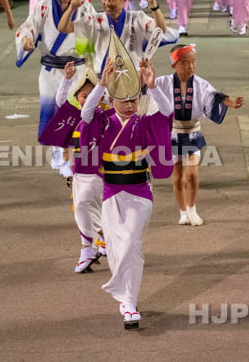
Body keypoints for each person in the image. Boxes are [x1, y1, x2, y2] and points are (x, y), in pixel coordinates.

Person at [77, 49, 174, 329]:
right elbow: (86, 113)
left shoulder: (144, 122)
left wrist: (152, 86)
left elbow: (167, 113)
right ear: (112, 100)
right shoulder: (103, 121)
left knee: (131, 242)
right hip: (111, 192)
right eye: (124, 100)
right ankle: (127, 298)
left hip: (140, 193)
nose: (131, 105)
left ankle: (129, 300)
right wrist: (100, 84)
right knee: (117, 247)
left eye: (134, 99)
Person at [153, 43, 243, 226]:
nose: (191, 66)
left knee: (192, 175)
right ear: (174, 64)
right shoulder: (163, 82)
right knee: (177, 178)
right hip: (172, 134)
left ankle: (192, 209)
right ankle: (183, 212)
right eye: (185, 63)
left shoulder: (201, 84)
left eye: (193, 62)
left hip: (192, 134)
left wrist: (231, 103)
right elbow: (147, 90)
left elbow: (215, 97)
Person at [15, 0, 86, 176]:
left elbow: (91, 38)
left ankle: (69, 157)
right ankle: (57, 150)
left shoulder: (85, 7)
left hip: (76, 68)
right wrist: (26, 40)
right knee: (50, 110)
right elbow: (28, 27)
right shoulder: (43, 5)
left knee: (73, 111)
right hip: (49, 69)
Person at [38, 61, 104, 273]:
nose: (88, 99)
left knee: (88, 207)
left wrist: (104, 84)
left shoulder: (105, 116)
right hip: (79, 172)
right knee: (82, 209)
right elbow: (60, 101)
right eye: (84, 96)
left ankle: (95, 245)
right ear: (77, 98)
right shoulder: (74, 116)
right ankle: (91, 247)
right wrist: (67, 79)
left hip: (101, 172)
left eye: (92, 95)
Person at [63, 0, 174, 70]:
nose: (107, 3)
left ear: (124, 0)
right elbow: (64, 28)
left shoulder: (137, 17)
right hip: (102, 77)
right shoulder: (94, 19)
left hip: (132, 77)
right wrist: (72, 8)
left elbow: (161, 30)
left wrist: (153, 4)